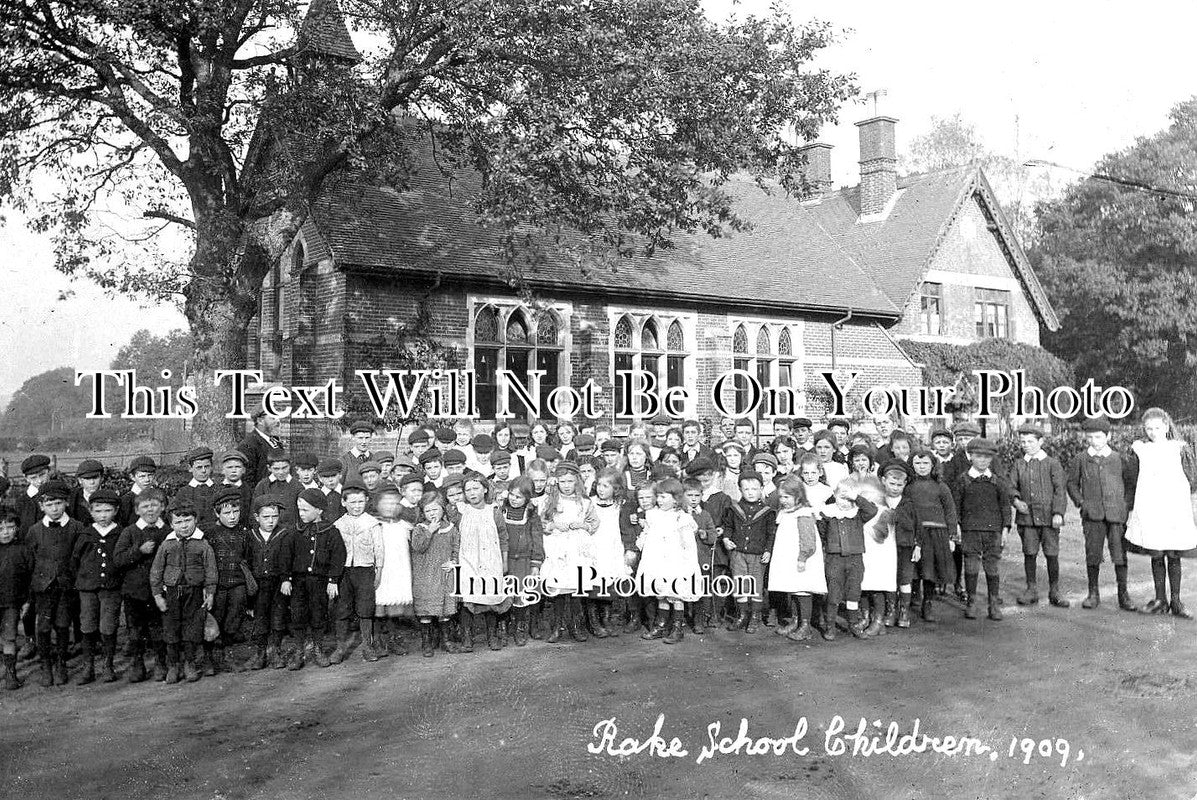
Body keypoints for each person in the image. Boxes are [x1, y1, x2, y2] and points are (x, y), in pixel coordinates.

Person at [1124, 407, 1197, 618]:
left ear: (1166, 426)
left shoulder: (1180, 448)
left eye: (1157, 427)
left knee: (1173, 554)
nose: (1153, 432)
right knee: (1156, 553)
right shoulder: (1140, 449)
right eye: (1149, 428)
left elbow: (1192, 480)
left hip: (1174, 509)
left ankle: (1176, 601)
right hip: (1150, 509)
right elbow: (1132, 477)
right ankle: (1160, 600)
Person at [1067, 417, 1139, 612]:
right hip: (1093, 516)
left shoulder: (1119, 458)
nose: (1094, 441)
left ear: (1108, 436)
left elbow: (1131, 484)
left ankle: (1123, 595)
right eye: (1089, 437)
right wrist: (1082, 503)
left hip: (1117, 515)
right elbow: (1072, 484)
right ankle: (1093, 593)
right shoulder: (1081, 459)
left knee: (1119, 554)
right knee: (1093, 554)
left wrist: (1126, 506)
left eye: (1098, 437)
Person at [150, 500, 218, 684]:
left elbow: (211, 571)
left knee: (192, 630)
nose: (184, 525)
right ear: (171, 524)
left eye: (187, 520)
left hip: (194, 593)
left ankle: (190, 663)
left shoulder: (203, 545)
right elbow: (156, 571)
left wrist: (210, 593)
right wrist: (157, 595)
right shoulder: (166, 545)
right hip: (171, 593)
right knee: (171, 630)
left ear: (195, 520)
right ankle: (173, 665)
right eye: (178, 522)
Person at [25, 479, 84, 686]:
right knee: (42, 627)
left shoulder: (77, 527)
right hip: (43, 587)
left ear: (66, 503)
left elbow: (80, 558)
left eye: (58, 503)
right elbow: (30, 561)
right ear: (41, 506)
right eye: (49, 504)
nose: (54, 508)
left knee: (61, 625)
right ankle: (46, 665)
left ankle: (61, 663)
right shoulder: (34, 530)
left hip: (66, 586)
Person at [281, 489, 346, 670]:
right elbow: (286, 556)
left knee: (318, 614)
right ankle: (299, 650)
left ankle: (318, 648)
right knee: (298, 615)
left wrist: (333, 580)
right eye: (299, 510)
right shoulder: (294, 532)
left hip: (319, 582)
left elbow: (338, 557)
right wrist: (286, 579)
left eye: (306, 510)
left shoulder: (331, 532)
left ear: (319, 510)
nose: (301, 514)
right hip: (299, 582)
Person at [953, 438, 1014, 621]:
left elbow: (1005, 506)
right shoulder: (963, 480)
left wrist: (1005, 528)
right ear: (970, 456)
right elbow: (956, 505)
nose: (983, 461)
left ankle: (993, 604)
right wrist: (956, 525)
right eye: (978, 456)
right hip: (970, 530)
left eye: (987, 457)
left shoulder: (997, 481)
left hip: (993, 530)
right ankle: (971, 602)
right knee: (971, 565)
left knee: (992, 566)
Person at [1008, 424, 1069, 608]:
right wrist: (1017, 501)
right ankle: (1031, 590)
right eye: (1023, 441)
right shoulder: (1019, 464)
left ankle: (1055, 590)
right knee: (1029, 553)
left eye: (1030, 441)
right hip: (1027, 520)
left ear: (1041, 441)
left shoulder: (1052, 463)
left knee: (1051, 554)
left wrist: (1058, 513)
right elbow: (1010, 487)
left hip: (1049, 519)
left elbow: (1060, 490)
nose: (1026, 445)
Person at [636, 478, 702, 644]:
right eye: (658, 496)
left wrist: (687, 563)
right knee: (662, 593)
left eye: (663, 497)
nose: (659, 500)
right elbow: (647, 533)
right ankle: (661, 624)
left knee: (676, 594)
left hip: (675, 561)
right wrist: (642, 541)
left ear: (675, 499)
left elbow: (688, 544)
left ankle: (678, 627)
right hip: (657, 560)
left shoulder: (682, 518)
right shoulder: (652, 515)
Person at [113, 489, 169, 682]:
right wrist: (139, 551)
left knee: (158, 628)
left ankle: (161, 663)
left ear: (162, 507)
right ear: (137, 510)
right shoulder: (130, 532)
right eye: (145, 506)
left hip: (159, 591)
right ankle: (138, 664)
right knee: (135, 630)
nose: (150, 510)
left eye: (154, 505)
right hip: (134, 591)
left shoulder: (168, 531)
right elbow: (118, 559)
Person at [539, 463, 597, 643]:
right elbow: (542, 522)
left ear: (576, 482)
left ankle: (576, 626)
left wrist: (583, 525)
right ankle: (557, 626)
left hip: (577, 549)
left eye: (570, 481)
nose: (566, 485)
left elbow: (594, 523)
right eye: (562, 481)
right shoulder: (550, 501)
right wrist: (554, 525)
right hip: (558, 547)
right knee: (559, 590)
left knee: (575, 590)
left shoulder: (585, 502)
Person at [70, 487, 123, 684]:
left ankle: (108, 665)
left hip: (111, 589)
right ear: (91, 512)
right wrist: (84, 581)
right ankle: (88, 667)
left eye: (107, 510)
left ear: (116, 511)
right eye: (98, 511)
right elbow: (75, 560)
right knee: (88, 625)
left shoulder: (120, 533)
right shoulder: (85, 534)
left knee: (108, 626)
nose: (103, 515)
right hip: (88, 589)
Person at [896, 451, 957, 622]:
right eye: (917, 463)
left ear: (932, 465)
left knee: (930, 570)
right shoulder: (908, 487)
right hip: (914, 532)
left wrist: (952, 537)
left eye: (925, 464)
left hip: (935, 533)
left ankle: (927, 602)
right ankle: (913, 598)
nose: (921, 467)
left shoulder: (941, 486)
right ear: (912, 465)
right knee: (914, 567)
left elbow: (950, 511)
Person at [453, 475, 511, 651]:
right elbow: (454, 537)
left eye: (476, 488)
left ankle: (492, 636)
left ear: (485, 489)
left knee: (490, 598)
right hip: (467, 560)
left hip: (490, 559)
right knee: (467, 598)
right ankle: (467, 638)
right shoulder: (460, 512)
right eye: (468, 490)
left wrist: (504, 562)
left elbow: (503, 537)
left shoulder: (494, 511)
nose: (472, 493)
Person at [816, 480, 879, 640]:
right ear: (835, 496)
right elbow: (822, 533)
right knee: (834, 591)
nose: (845, 502)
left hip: (855, 559)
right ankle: (830, 626)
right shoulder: (828, 513)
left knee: (853, 591)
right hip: (834, 559)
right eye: (842, 497)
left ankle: (853, 624)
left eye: (849, 499)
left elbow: (872, 510)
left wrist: (856, 497)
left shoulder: (858, 514)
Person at [332, 482, 387, 663]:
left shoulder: (372, 523)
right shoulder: (338, 525)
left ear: (366, 501)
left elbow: (379, 549)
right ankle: (340, 647)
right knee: (342, 608)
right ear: (343, 502)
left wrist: (378, 572)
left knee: (365, 608)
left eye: (360, 502)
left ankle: (367, 646)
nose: (357, 506)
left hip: (365, 571)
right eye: (352, 502)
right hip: (344, 571)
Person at [768, 479, 825, 641]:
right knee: (793, 588)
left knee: (803, 589)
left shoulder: (804, 514)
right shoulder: (785, 513)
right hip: (788, 557)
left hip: (802, 559)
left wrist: (803, 558)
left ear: (798, 496)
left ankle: (805, 626)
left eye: (787, 497)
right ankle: (795, 620)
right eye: (781, 497)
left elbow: (808, 540)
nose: (783, 501)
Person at [203, 488, 252, 674]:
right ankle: (209, 658)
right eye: (227, 513)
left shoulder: (244, 533)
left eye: (236, 512)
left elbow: (248, 559)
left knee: (233, 620)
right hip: (217, 586)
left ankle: (227, 656)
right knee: (214, 619)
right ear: (217, 513)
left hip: (237, 584)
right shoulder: (210, 534)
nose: (232, 517)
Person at [722, 471, 775, 633]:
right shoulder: (734, 509)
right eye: (746, 489)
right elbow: (728, 526)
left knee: (756, 585)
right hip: (738, 553)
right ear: (740, 489)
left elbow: (770, 533)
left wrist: (768, 550)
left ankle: (755, 617)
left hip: (757, 555)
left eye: (754, 489)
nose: (750, 492)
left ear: (761, 489)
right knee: (740, 584)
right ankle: (742, 614)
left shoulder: (767, 511)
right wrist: (726, 538)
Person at [245, 496, 293, 670]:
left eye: (274, 516)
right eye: (266, 517)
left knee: (278, 617)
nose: (271, 521)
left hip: (278, 584)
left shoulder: (284, 534)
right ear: (257, 517)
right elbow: (247, 561)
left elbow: (288, 559)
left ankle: (275, 651)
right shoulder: (250, 536)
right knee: (260, 618)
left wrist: (286, 579)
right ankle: (260, 653)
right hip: (258, 585)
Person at [495, 477, 544, 647]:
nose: (513, 499)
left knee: (521, 596)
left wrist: (536, 564)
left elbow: (537, 541)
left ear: (527, 499)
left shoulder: (531, 517)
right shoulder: (501, 512)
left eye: (519, 497)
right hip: (504, 560)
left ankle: (520, 627)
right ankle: (502, 627)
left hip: (523, 562)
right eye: (511, 495)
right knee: (504, 595)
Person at [410, 493, 459, 657]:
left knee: (444, 610)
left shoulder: (451, 528)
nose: (432, 514)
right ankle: (427, 642)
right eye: (428, 510)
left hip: (444, 575)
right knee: (426, 611)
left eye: (435, 509)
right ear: (423, 513)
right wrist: (429, 531)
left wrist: (453, 562)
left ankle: (446, 641)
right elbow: (418, 547)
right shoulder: (419, 529)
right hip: (426, 575)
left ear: (443, 509)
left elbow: (457, 548)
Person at [373, 485, 413, 655]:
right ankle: (377, 640)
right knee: (379, 605)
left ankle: (393, 638)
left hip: (399, 570)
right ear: (378, 505)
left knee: (395, 605)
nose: (390, 507)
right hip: (382, 571)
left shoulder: (405, 526)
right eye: (386, 503)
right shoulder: (374, 525)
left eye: (395, 503)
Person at [682, 479, 718, 635]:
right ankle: (682, 617)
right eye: (690, 495)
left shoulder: (705, 515)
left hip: (700, 558)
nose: (694, 499)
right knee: (682, 587)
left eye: (697, 495)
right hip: (683, 558)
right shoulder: (680, 514)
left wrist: (706, 535)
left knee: (701, 589)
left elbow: (713, 535)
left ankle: (699, 620)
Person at [0, 510, 31, 689]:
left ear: (16, 529)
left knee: (10, 637)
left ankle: (11, 674)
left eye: (10, 527)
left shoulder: (23, 549)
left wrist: (27, 600)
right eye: (1, 528)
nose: (5, 532)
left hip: (12, 601)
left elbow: (29, 576)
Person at [253, 449, 302, 530]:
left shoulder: (297, 486)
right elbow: (254, 511)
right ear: (269, 468)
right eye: (276, 469)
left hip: (290, 531)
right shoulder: (262, 486)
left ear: (290, 465)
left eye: (284, 468)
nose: (281, 472)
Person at [174, 447, 217, 528]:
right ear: (190, 468)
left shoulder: (218, 489)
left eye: (207, 466)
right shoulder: (183, 493)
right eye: (199, 467)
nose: (203, 471)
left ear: (211, 467)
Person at [238, 410, 282, 487]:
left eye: (278, 418)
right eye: (273, 418)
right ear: (260, 421)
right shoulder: (248, 444)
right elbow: (247, 480)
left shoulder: (275, 442)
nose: (278, 421)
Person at [118, 455, 157, 528]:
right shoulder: (127, 500)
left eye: (150, 475)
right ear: (132, 477)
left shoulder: (160, 496)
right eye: (142, 476)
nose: (147, 480)